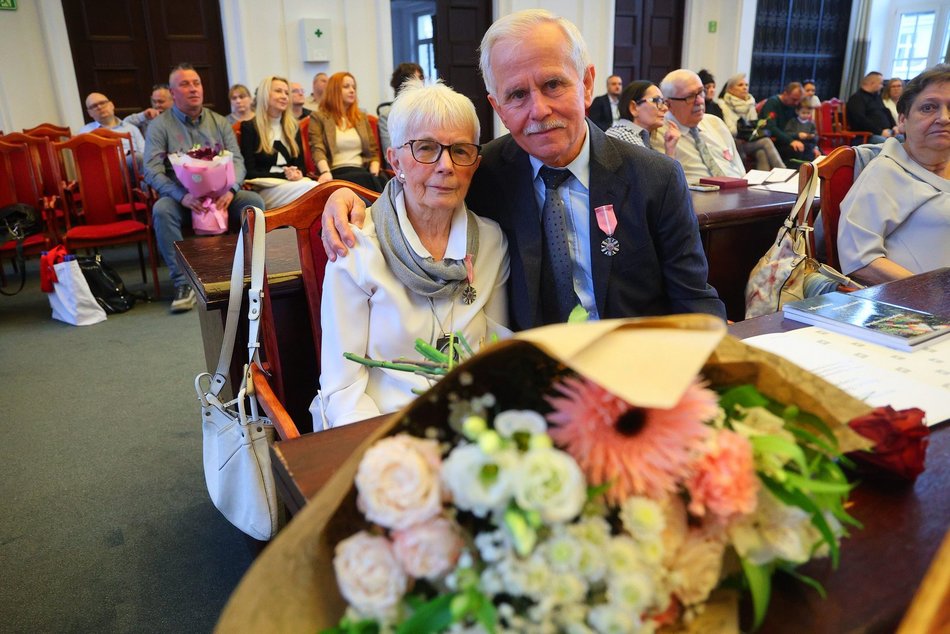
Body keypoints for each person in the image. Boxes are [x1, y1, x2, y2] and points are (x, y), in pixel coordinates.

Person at [320, 9, 726, 329]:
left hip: (631, 381)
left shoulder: (655, 178)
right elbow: (420, 190)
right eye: (516, 94)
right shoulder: (484, 172)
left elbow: (695, 300)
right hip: (528, 386)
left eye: (553, 85)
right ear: (497, 107)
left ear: (586, 85)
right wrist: (343, 197)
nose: (539, 110)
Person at [317, 79, 510, 428]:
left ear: (475, 163)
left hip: (470, 423)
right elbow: (342, 389)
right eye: (425, 148)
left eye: (461, 150)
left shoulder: (492, 242)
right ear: (395, 160)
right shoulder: (356, 246)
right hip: (381, 426)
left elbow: (497, 354)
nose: (445, 165)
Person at [144, 63, 264, 313]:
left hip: (222, 195)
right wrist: (181, 195)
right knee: (161, 210)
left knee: (253, 202)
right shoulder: (160, 126)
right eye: (184, 84)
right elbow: (151, 170)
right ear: (172, 93)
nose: (193, 89)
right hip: (182, 198)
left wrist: (231, 190)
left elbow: (238, 161)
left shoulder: (219, 122)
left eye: (196, 83)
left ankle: (252, 272)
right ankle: (182, 284)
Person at [837, 64, 949, 285]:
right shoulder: (885, 173)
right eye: (928, 108)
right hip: (914, 308)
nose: (944, 118)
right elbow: (859, 258)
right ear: (902, 120)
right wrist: (933, 292)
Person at [240, 76, 317, 208]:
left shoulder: (293, 127)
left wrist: (297, 173)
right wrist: (285, 175)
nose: (284, 96)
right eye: (278, 91)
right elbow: (250, 171)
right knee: (315, 190)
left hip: (294, 186)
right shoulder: (250, 127)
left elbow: (301, 167)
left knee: (317, 189)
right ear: (265, 94)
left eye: (287, 93)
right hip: (265, 189)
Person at [657, 69, 746, 183]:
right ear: (668, 103)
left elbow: (739, 170)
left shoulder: (716, 123)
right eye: (690, 97)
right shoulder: (660, 135)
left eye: (701, 92)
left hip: (739, 193)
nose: (699, 101)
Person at [308, 71, 383, 191]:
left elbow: (373, 151)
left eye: (354, 87)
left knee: (380, 182)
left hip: (362, 171)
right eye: (346, 87)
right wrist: (325, 172)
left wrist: (374, 172)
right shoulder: (319, 117)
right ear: (334, 90)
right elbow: (317, 149)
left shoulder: (361, 118)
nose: (352, 90)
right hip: (335, 173)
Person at [718, 73, 786, 170]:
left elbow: (753, 124)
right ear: (730, 89)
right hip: (734, 142)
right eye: (740, 85)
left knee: (761, 152)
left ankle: (761, 182)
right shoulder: (723, 105)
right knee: (766, 141)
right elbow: (731, 131)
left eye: (746, 85)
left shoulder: (750, 103)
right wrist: (743, 128)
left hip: (749, 140)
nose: (745, 88)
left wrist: (759, 125)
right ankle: (782, 170)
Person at [605, 80, 680, 157]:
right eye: (657, 100)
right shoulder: (624, 137)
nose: (665, 108)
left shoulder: (629, 134)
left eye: (663, 102)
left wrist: (670, 149)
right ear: (633, 107)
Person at [79, 91, 146, 173]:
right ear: (89, 113)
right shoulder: (86, 132)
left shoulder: (131, 128)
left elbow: (145, 152)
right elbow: (86, 162)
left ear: (111, 105)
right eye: (94, 106)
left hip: (136, 168)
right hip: (105, 171)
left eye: (102, 103)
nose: (99, 107)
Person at [377, 62, 425, 160]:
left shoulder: (427, 111)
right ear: (402, 84)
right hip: (403, 164)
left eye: (421, 78)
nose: (420, 83)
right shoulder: (387, 115)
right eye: (414, 79)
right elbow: (389, 154)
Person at [846, 72, 899, 143]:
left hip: (885, 132)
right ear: (872, 83)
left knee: (904, 138)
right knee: (884, 142)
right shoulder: (856, 98)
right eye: (880, 83)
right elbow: (860, 120)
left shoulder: (876, 97)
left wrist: (894, 126)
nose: (882, 86)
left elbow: (886, 111)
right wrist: (880, 132)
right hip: (866, 136)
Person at [760, 82, 806, 162]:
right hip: (775, 140)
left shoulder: (793, 105)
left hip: (787, 136)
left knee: (810, 148)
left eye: (798, 100)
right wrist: (790, 141)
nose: (796, 103)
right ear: (785, 94)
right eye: (794, 99)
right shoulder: (772, 103)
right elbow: (771, 127)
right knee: (795, 150)